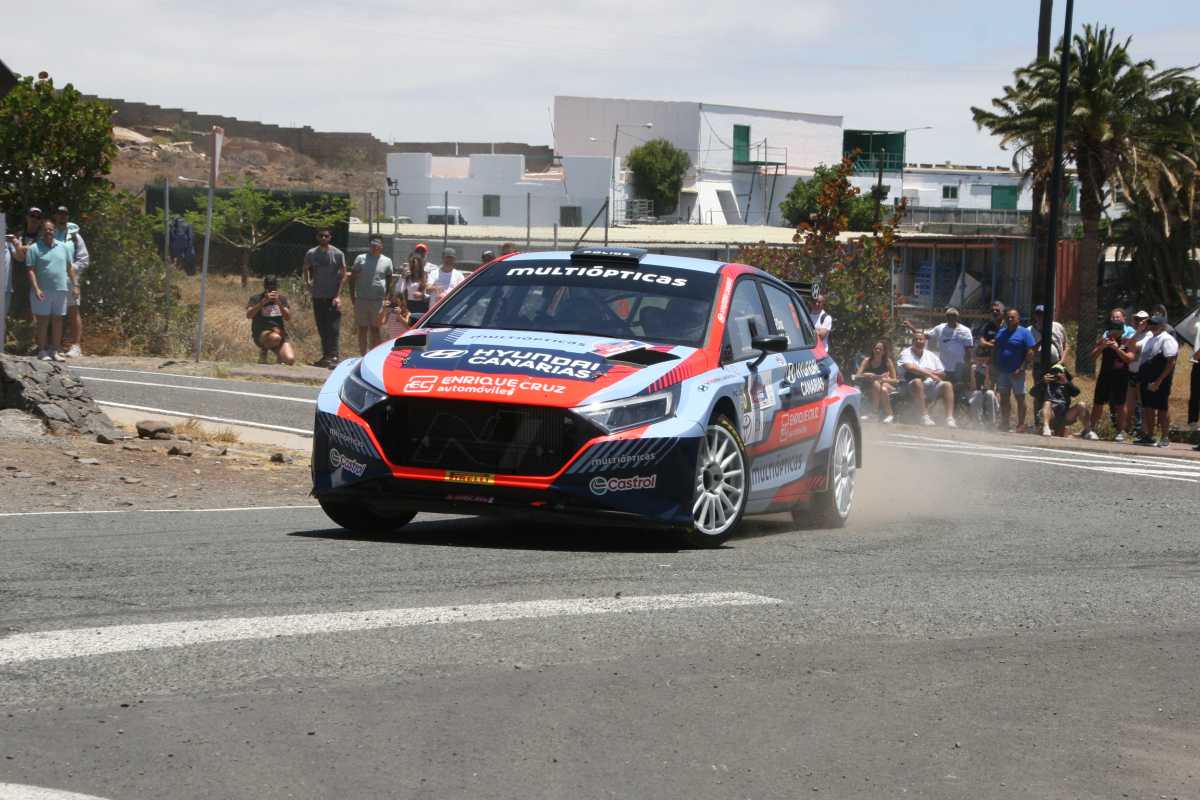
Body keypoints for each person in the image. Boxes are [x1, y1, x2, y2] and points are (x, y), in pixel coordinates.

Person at [9, 221, 74, 361]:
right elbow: (30, 270)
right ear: (41, 232)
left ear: (54, 231)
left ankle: (55, 350)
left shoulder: (63, 247)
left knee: (58, 320)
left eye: (51, 229)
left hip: (61, 289)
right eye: (45, 229)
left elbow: (69, 267)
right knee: (43, 321)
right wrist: (36, 289)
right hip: (42, 290)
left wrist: (76, 285)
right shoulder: (34, 248)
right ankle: (42, 351)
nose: (48, 231)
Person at [1089, 308, 1136, 438]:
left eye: (1117, 329)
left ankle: (1120, 431)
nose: (1114, 332)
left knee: (1120, 404)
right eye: (1112, 328)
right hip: (1105, 375)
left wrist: (1117, 348)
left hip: (1121, 376)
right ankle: (1091, 429)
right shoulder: (1105, 338)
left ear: (1122, 329)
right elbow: (1092, 357)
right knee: (1098, 402)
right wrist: (1102, 347)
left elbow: (1129, 358)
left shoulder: (1127, 340)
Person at [303, 227, 346, 368]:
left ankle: (334, 356)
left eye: (326, 236)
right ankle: (326, 356)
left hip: (332, 297)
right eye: (321, 235)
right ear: (317, 237)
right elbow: (305, 268)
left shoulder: (337, 254)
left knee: (333, 328)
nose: (323, 238)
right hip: (318, 295)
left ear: (330, 237)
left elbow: (344, 274)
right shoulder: (311, 253)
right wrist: (308, 283)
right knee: (322, 327)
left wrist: (338, 295)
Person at [1135, 314, 1179, 447]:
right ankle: (1150, 436)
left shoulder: (1167, 339)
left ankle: (1165, 437)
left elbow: (1171, 362)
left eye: (1155, 324)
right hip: (1147, 379)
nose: (1152, 326)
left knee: (1162, 408)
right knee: (1148, 407)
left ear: (1162, 326)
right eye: (1151, 324)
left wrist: (1159, 381)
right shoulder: (1150, 338)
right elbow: (1133, 348)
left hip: (1160, 381)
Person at [52, 206, 89, 358]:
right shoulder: (49, 233)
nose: (62, 216)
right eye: (59, 213)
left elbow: (84, 259)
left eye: (65, 214)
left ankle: (76, 346)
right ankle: (56, 346)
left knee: (73, 311)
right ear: (55, 216)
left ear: (68, 216)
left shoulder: (75, 236)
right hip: (52, 278)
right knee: (55, 313)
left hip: (70, 279)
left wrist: (72, 269)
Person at [898, 332, 957, 427]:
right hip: (909, 386)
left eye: (921, 339)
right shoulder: (906, 353)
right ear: (912, 342)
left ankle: (949, 418)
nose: (918, 341)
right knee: (917, 382)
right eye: (915, 339)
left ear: (925, 341)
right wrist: (929, 373)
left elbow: (942, 373)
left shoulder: (931, 355)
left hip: (930, 386)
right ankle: (924, 417)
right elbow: (910, 368)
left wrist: (927, 372)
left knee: (947, 385)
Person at [992, 308, 1036, 431]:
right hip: (1002, 371)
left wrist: (1021, 368)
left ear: (1018, 319)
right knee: (1004, 398)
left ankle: (1020, 425)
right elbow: (995, 349)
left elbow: (1031, 352)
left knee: (1020, 398)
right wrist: (994, 365)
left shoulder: (1025, 333)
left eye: (1012, 317)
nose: (1010, 319)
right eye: (1008, 317)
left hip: (1017, 372)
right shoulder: (1001, 332)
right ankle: (1005, 423)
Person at [906, 306, 974, 387]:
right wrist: (912, 328)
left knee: (959, 386)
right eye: (948, 316)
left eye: (953, 316)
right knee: (945, 386)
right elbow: (924, 336)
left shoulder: (965, 330)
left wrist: (968, 365)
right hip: (943, 365)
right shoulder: (940, 328)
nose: (951, 318)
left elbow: (969, 349)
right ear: (946, 317)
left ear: (957, 317)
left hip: (959, 365)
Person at [350, 237, 395, 355]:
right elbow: (352, 278)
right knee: (362, 329)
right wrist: (352, 296)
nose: (374, 246)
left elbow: (389, 279)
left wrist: (387, 297)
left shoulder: (387, 261)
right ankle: (363, 355)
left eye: (377, 244)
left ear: (382, 246)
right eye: (372, 244)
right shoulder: (360, 258)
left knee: (375, 329)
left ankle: (374, 355)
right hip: (361, 299)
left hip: (378, 301)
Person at [1030, 363, 1094, 438]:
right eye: (1053, 372)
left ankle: (1088, 431)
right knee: (1047, 402)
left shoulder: (1066, 384)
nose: (1056, 375)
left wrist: (1066, 382)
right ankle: (1046, 427)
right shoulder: (1046, 384)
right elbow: (1032, 392)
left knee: (1082, 405)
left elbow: (1076, 392)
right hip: (1050, 414)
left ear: (1064, 374)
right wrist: (1042, 382)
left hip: (1064, 415)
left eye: (1059, 372)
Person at [1117, 310, 1152, 442]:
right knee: (1129, 405)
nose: (1139, 322)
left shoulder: (1149, 335)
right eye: (1137, 319)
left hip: (1142, 373)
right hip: (1132, 373)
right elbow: (1125, 347)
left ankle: (1145, 432)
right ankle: (1126, 430)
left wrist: (1133, 348)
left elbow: (1137, 350)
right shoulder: (1135, 334)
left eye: (1142, 320)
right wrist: (1137, 332)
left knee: (1143, 405)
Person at [245, 274, 295, 365]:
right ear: (265, 287)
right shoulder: (256, 298)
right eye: (268, 287)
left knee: (290, 359)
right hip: (262, 334)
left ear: (277, 287)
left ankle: (278, 357)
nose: (271, 290)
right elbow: (249, 315)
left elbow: (287, 317)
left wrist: (279, 304)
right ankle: (263, 351)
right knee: (275, 337)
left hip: (280, 334)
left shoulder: (282, 299)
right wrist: (263, 302)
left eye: (273, 287)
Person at [853, 340, 897, 423]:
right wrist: (867, 374)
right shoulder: (867, 360)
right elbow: (857, 376)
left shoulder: (887, 362)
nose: (877, 350)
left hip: (886, 384)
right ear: (873, 350)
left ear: (884, 352)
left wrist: (881, 379)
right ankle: (883, 414)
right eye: (876, 348)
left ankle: (880, 413)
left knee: (883, 388)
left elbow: (895, 380)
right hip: (869, 385)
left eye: (880, 349)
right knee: (878, 385)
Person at [967, 348, 1000, 426]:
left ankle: (992, 422)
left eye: (983, 361)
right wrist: (972, 373)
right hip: (972, 392)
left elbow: (987, 386)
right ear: (975, 359)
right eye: (979, 360)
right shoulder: (970, 368)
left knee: (990, 393)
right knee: (978, 394)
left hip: (983, 392)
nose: (981, 363)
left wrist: (987, 373)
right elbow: (972, 387)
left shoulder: (987, 368)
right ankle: (977, 423)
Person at [403, 243, 431, 316]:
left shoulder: (430, 269)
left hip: (422, 305)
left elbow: (430, 289)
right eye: (418, 251)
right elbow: (402, 290)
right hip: (409, 304)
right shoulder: (408, 270)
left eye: (422, 251)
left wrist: (422, 295)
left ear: (426, 253)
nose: (420, 253)